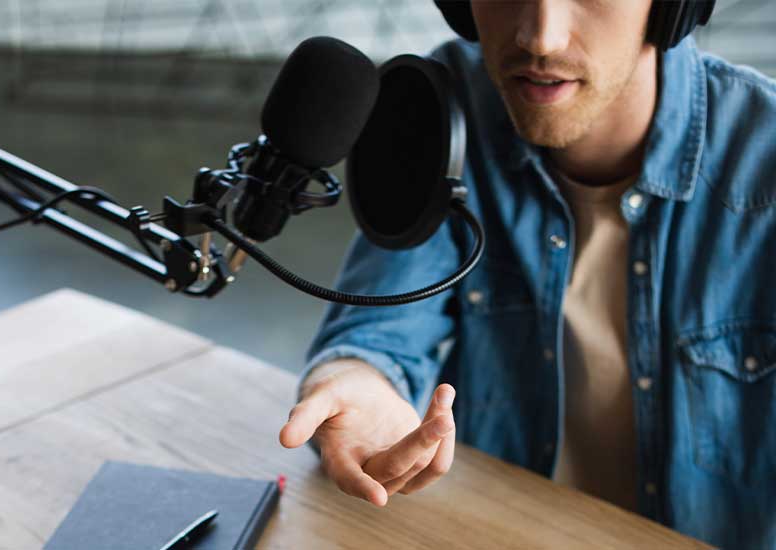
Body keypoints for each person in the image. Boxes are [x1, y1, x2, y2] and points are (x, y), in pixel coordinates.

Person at [280, 1, 776, 548]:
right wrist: (352, 384)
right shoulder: (443, 113)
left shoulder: (765, 158)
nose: (541, 38)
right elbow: (378, 334)